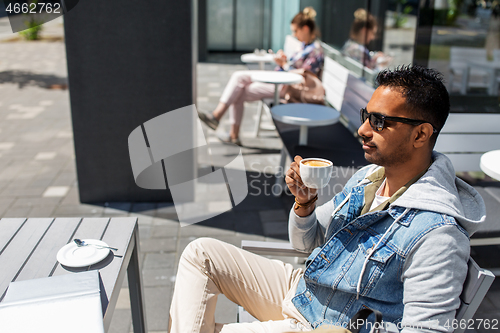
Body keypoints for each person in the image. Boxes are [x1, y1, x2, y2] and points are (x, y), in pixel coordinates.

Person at [169, 65, 486, 333]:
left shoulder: (438, 234)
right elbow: (307, 244)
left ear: (420, 135)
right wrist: (304, 206)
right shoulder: (367, 180)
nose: (362, 129)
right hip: (305, 290)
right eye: (366, 115)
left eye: (379, 122)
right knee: (200, 254)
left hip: (321, 325)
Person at [198, 7, 324, 146]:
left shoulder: (315, 50)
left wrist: (285, 65)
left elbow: (304, 76)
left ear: (305, 29)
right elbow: (294, 66)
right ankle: (228, 129)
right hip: (280, 81)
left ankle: (220, 120)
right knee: (238, 84)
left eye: (295, 31)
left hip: (288, 87)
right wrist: (283, 61)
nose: (294, 35)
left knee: (238, 82)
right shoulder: (303, 46)